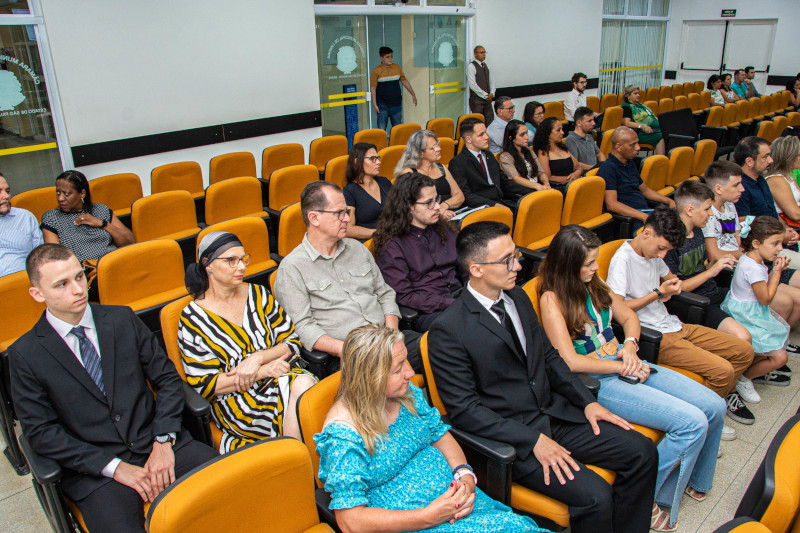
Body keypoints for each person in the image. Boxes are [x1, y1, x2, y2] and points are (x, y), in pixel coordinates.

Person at [427, 221, 658, 533]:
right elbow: (465, 410)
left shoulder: (518, 298)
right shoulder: (449, 330)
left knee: (642, 452)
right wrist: (532, 440)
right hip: (516, 437)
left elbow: (549, 357)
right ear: (477, 269)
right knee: (596, 497)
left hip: (555, 413)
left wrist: (586, 402)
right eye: (507, 260)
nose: (518, 265)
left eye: (516, 255)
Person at [8, 244, 218, 532]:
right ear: (38, 293)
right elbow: (42, 433)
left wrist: (163, 441)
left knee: (225, 494)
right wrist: (114, 467)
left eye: (80, 277)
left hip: (156, 442)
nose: (78, 289)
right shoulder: (26, 354)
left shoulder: (121, 319)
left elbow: (168, 379)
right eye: (62, 284)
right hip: (96, 472)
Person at [538, 225, 724, 532]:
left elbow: (629, 318)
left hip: (624, 360)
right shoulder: (551, 299)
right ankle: (645, 495)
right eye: (588, 263)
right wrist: (619, 366)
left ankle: (695, 479)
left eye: (595, 261)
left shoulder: (594, 283)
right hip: (598, 379)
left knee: (715, 406)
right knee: (692, 423)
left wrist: (630, 347)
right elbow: (569, 361)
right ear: (567, 263)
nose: (596, 267)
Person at [315, 324, 545, 533]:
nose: (409, 372)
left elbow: (438, 434)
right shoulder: (343, 435)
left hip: (457, 504)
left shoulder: (405, 393)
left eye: (405, 360)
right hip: (412, 523)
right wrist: (429, 516)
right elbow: (351, 521)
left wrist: (464, 474)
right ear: (368, 378)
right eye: (397, 369)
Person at [607, 206, 755, 434]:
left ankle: (708, 402)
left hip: (673, 323)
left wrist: (672, 287)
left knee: (744, 351)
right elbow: (618, 309)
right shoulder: (623, 260)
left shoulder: (652, 253)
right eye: (661, 248)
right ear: (646, 233)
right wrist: (657, 293)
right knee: (723, 371)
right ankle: (705, 418)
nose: (662, 255)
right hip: (654, 335)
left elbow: (673, 280)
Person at [177, 231, 317, 453]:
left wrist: (257, 359)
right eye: (230, 260)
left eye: (243, 259)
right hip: (236, 401)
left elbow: (291, 341)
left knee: (307, 391)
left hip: (282, 375)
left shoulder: (259, 294)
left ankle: (297, 464)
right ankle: (301, 465)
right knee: (305, 390)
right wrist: (262, 371)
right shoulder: (192, 319)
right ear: (208, 265)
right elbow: (207, 385)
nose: (241, 266)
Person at [273, 181, 422, 371]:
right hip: (350, 353)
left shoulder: (357, 249)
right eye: (339, 213)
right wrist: (347, 350)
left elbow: (384, 293)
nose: (346, 219)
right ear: (314, 218)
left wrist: (392, 334)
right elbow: (303, 327)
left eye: (347, 212)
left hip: (387, 338)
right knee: (389, 372)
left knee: (440, 345)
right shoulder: (293, 267)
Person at [373, 172, 464, 332]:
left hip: (459, 296)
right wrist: (450, 303)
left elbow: (465, 266)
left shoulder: (444, 229)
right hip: (428, 311)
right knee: (469, 325)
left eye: (437, 199)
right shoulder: (392, 245)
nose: (437, 207)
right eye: (429, 203)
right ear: (409, 206)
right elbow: (405, 296)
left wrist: (476, 291)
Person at [664, 180, 751, 342]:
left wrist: (717, 264)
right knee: (743, 336)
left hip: (713, 291)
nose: (711, 214)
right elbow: (675, 288)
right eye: (707, 209)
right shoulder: (670, 241)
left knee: (759, 311)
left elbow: (701, 266)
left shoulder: (698, 230)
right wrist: (712, 271)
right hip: (695, 302)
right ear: (690, 210)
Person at [721, 216, 793, 402]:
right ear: (756, 243)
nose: (780, 248)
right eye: (775, 243)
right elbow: (766, 298)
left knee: (772, 349)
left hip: (750, 311)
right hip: (747, 316)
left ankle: (750, 373)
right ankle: (744, 379)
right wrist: (776, 272)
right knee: (779, 357)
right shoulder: (753, 268)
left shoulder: (752, 258)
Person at [41, 170, 134, 264]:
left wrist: (102, 224)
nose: (60, 198)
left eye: (66, 194)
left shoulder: (101, 210)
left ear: (82, 194)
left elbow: (130, 242)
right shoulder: (52, 218)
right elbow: (55, 259)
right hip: (85, 271)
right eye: (58, 193)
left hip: (113, 263)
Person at [598, 127, 675, 233]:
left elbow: (645, 190)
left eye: (637, 143)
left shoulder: (630, 163)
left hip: (644, 213)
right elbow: (612, 204)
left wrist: (668, 200)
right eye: (632, 144)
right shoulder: (608, 168)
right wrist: (643, 216)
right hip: (631, 220)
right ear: (619, 147)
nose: (638, 148)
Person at [448, 117, 530, 210]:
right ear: (468, 139)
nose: (486, 137)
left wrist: (533, 190)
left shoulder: (488, 155)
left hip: (502, 201)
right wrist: (494, 205)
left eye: (485, 132)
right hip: (483, 207)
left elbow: (504, 183)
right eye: (481, 134)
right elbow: (467, 196)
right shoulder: (458, 163)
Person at [395, 129, 465, 221]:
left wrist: (444, 206)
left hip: (452, 213)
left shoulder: (441, 168)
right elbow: (410, 207)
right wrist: (438, 213)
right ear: (421, 153)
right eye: (433, 148)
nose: (438, 149)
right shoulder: (409, 173)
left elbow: (460, 196)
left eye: (437, 144)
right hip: (429, 220)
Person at [343, 142, 392, 240]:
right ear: (357, 161)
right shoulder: (349, 191)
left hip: (392, 235)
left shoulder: (384, 182)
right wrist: (379, 232)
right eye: (372, 159)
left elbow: (401, 207)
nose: (378, 162)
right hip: (370, 241)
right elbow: (348, 229)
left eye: (378, 158)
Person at [0, 174, 43, 276]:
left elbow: (41, 257)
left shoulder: (25, 217)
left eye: (7, 191)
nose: (6, 196)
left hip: (25, 281)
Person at [704, 160, 746, 262]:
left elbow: (737, 239)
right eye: (736, 185)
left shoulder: (729, 205)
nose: (742, 189)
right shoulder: (707, 213)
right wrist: (745, 255)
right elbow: (714, 255)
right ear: (718, 188)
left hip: (737, 259)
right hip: (723, 267)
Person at [370, 46, 417, 134]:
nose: (390, 59)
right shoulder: (376, 71)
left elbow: (404, 81)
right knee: (381, 130)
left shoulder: (397, 68)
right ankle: (382, 147)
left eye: (391, 56)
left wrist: (413, 94)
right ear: (381, 58)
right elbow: (373, 88)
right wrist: (374, 104)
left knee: (398, 130)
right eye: (387, 57)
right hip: (382, 105)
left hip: (396, 104)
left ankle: (396, 147)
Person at [499, 119, 550, 191]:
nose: (527, 137)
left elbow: (540, 172)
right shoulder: (505, 156)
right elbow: (516, 178)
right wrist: (537, 186)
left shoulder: (528, 150)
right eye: (522, 135)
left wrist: (546, 184)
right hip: (524, 191)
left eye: (526, 133)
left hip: (538, 187)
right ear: (511, 138)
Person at [532, 117, 582, 189]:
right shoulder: (543, 152)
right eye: (558, 130)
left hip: (575, 183)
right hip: (561, 187)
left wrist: (577, 173)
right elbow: (548, 178)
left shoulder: (563, 148)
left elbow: (578, 167)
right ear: (548, 133)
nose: (562, 132)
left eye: (562, 129)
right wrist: (571, 179)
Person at [620, 85, 665, 156]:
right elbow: (626, 123)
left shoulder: (640, 105)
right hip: (640, 133)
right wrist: (642, 126)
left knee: (669, 133)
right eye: (635, 93)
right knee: (661, 136)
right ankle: (660, 160)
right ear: (628, 95)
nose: (638, 95)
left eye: (638, 93)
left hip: (653, 130)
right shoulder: (626, 107)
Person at [766, 136, 800, 229]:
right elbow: (795, 214)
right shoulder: (776, 179)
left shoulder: (788, 176)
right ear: (789, 157)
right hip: (789, 227)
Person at [564, 106, 606, 173]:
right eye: (589, 121)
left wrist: (604, 165)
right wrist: (595, 168)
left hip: (594, 173)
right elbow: (576, 164)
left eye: (593, 120)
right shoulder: (570, 140)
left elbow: (599, 154)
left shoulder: (588, 137)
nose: (593, 123)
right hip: (584, 176)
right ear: (579, 123)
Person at [467, 45, 496, 125]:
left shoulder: (486, 66)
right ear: (475, 54)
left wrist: (492, 93)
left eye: (484, 52)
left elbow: (492, 81)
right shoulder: (471, 66)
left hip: (488, 101)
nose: (484, 54)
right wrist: (484, 95)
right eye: (481, 52)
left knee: (490, 122)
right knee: (478, 123)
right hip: (477, 101)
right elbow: (472, 84)